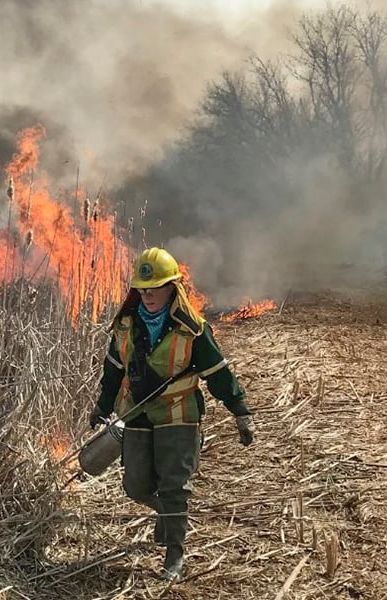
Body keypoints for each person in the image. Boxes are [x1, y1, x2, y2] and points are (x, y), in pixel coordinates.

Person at [88, 247, 256, 581]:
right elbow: (112, 370)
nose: (148, 295)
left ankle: (174, 554)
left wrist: (240, 412)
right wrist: (102, 406)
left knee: (175, 485)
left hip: (178, 416)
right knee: (135, 487)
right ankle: (169, 513)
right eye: (142, 289)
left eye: (156, 287)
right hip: (136, 414)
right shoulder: (125, 325)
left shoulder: (191, 328)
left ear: (173, 287)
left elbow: (218, 372)